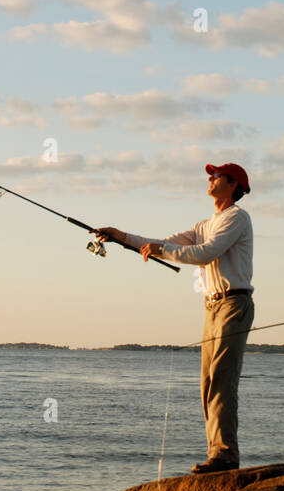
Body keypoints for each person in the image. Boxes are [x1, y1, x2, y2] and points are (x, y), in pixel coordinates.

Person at [94, 163, 254, 474]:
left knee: (222, 378)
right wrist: (119, 236)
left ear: (233, 184)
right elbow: (160, 243)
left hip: (234, 303)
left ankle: (224, 457)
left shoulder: (236, 218)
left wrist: (160, 248)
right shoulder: (203, 224)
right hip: (211, 306)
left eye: (216, 175)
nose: (210, 179)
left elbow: (205, 253)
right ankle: (218, 454)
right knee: (208, 382)